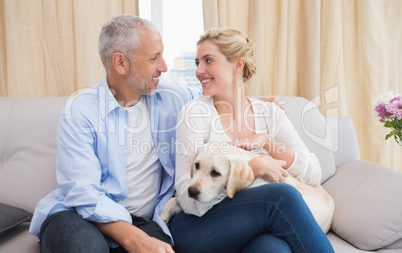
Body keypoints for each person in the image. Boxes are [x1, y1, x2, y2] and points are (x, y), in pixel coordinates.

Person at [29, 14, 200, 252]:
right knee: (84, 247)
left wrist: (260, 108)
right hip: (76, 215)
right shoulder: (80, 110)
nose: (164, 67)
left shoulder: (173, 98)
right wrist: (133, 239)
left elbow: (215, 104)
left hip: (140, 220)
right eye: (154, 58)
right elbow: (82, 192)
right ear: (120, 63)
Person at [170, 28, 335, 252]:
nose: (199, 70)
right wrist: (252, 169)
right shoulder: (195, 113)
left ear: (238, 64)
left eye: (208, 61)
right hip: (197, 226)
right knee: (282, 196)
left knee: (273, 248)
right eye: (197, 62)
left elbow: (314, 173)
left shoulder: (270, 113)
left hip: (256, 225)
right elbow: (186, 195)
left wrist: (268, 143)